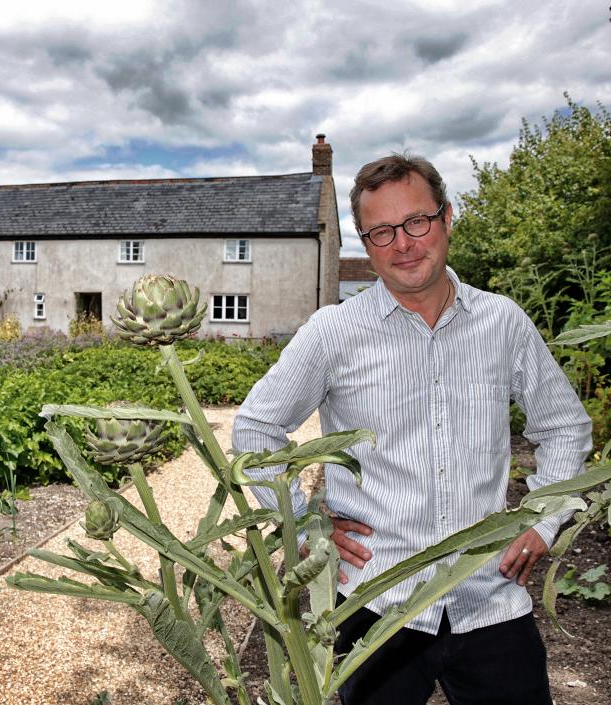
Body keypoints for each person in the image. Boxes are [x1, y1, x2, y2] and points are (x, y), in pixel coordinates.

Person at [232, 153, 592, 705]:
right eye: (382, 231)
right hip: (378, 605)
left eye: (417, 222)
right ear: (365, 242)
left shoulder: (502, 322)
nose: (403, 243)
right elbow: (257, 428)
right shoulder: (334, 331)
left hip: (489, 594)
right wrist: (302, 527)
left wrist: (544, 522)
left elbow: (564, 425)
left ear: (447, 218)